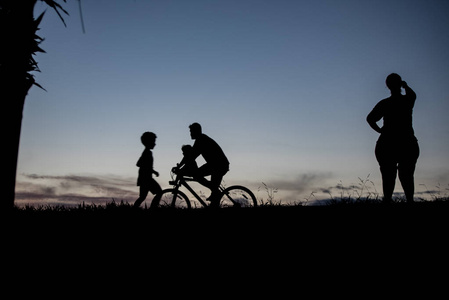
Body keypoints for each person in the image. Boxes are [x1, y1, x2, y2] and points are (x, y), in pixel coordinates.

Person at [366, 73, 420, 203]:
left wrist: (380, 131)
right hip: (406, 142)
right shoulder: (407, 100)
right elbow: (412, 95)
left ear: (387, 85)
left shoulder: (385, 103)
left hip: (388, 142)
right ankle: (409, 201)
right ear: (400, 83)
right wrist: (405, 85)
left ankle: (389, 201)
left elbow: (370, 119)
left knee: (388, 176)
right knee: (406, 175)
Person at [174, 123, 230, 208]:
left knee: (197, 176)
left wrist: (180, 168)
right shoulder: (200, 139)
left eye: (191, 131)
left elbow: (191, 157)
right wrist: (179, 167)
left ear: (196, 131)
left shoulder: (201, 140)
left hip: (218, 165)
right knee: (213, 190)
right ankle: (215, 193)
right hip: (215, 164)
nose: (190, 134)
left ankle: (215, 191)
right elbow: (190, 156)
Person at [133, 131, 162, 208]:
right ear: (148, 142)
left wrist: (152, 171)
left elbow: (139, 164)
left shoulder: (146, 152)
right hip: (146, 179)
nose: (155, 144)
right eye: (153, 141)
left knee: (142, 197)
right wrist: (153, 171)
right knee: (159, 192)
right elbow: (139, 164)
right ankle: (153, 207)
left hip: (144, 179)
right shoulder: (147, 153)